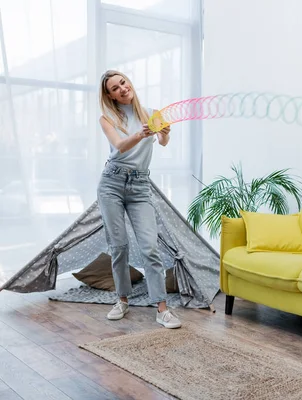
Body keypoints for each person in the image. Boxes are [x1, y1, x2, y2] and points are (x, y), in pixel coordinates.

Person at [97, 70, 181, 329]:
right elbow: (120, 146)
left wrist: (165, 132)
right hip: (111, 183)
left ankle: (162, 309)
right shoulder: (107, 118)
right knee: (119, 246)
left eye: (123, 82)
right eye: (115, 88)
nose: (122, 88)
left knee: (149, 247)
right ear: (110, 96)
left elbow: (163, 142)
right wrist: (141, 134)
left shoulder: (152, 113)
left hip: (140, 186)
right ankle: (122, 300)